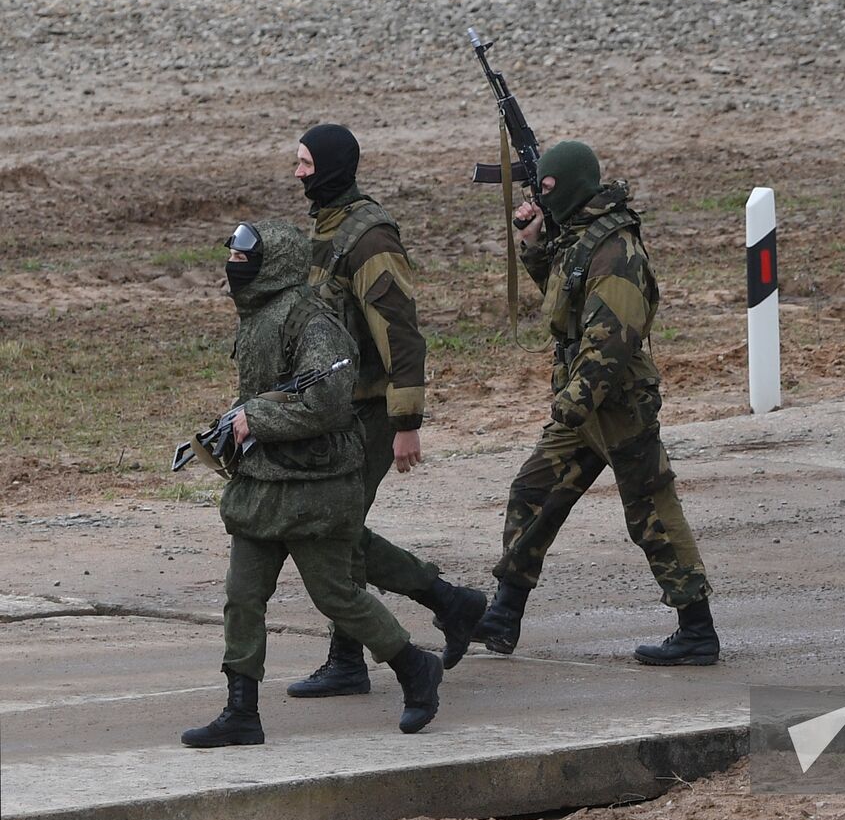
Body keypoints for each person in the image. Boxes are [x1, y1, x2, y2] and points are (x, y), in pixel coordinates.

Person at [181, 221, 444, 747]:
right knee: (242, 595)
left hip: (314, 486)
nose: (235, 266)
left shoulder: (310, 320)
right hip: (262, 483)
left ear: (271, 264)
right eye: (232, 257)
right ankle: (241, 712)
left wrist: (258, 421)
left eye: (244, 257)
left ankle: (416, 668)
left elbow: (326, 404)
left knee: (336, 595)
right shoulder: (258, 315)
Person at [481, 139, 721, 665]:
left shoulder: (617, 249)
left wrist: (571, 402)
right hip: (583, 402)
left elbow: (610, 341)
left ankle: (697, 630)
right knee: (534, 492)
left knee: (650, 510)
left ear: (570, 187)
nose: (540, 197)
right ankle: (503, 614)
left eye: (546, 188)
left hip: (615, 404)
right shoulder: (579, 237)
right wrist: (534, 244)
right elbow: (564, 299)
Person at [286, 124, 485, 698]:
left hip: (368, 416)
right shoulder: (323, 232)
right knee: (339, 532)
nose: (298, 174)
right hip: (335, 413)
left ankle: (364, 651)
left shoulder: (368, 240)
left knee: (335, 533)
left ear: (328, 167)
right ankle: (448, 604)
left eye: (304, 164)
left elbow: (400, 333)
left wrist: (406, 423)